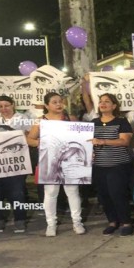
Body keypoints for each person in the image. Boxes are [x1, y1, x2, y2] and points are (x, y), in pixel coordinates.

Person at [27, 92, 85, 237]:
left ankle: (77, 222)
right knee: (51, 193)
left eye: (60, 101)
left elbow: (82, 138)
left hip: (70, 159)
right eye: (54, 102)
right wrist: (41, 142)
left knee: (72, 192)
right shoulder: (40, 121)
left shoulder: (70, 119)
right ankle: (51, 224)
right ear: (46, 105)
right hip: (49, 160)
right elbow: (29, 139)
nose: (59, 104)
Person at [90, 93, 134, 237]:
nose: (103, 104)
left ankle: (126, 222)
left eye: (107, 101)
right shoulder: (93, 122)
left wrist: (103, 141)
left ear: (114, 106)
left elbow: (124, 141)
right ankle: (112, 222)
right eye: (101, 101)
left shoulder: (122, 121)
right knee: (104, 196)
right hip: (99, 166)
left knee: (118, 194)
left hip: (118, 165)